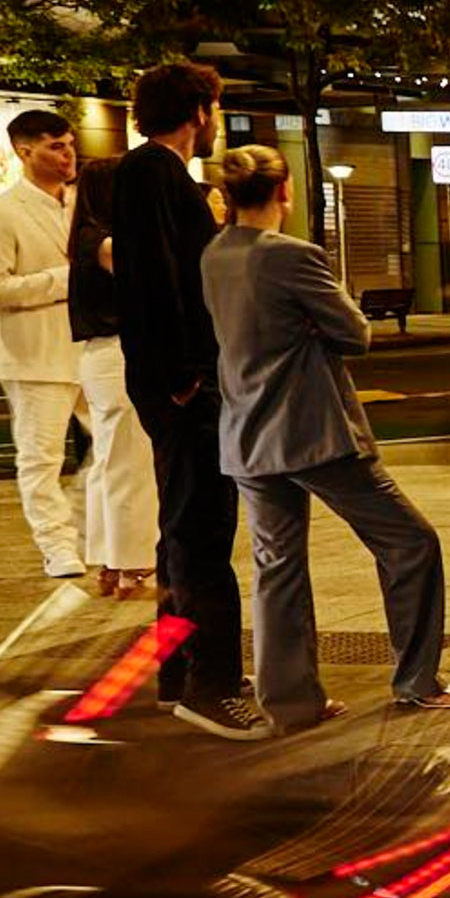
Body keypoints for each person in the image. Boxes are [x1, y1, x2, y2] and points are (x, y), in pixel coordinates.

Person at [203, 146, 450, 730]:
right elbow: (356, 332)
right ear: (285, 190)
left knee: (278, 568)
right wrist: (315, 325)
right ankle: (418, 680)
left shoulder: (214, 254)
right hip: (313, 432)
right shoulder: (294, 256)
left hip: (247, 434)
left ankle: (292, 702)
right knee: (410, 543)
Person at [110, 57, 269, 738]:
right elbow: (154, 278)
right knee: (201, 531)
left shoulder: (161, 174)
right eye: (216, 110)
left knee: (183, 531)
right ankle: (213, 684)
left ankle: (179, 674)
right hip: (183, 385)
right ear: (200, 110)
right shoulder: (152, 172)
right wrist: (185, 376)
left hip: (179, 381)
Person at [0, 107, 97, 582]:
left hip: (94, 348)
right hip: (34, 355)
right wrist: (64, 281)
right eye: (55, 147)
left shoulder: (85, 204)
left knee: (117, 445)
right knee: (40, 456)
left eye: (69, 144)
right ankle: (56, 544)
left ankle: (90, 530)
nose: (68, 155)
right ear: (25, 152)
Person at [61, 151, 158, 599]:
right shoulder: (103, 242)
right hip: (119, 356)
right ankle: (133, 564)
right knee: (129, 463)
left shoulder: (87, 236)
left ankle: (111, 560)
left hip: (105, 358)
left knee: (111, 462)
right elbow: (149, 280)